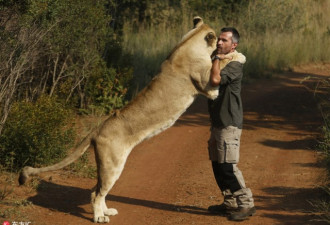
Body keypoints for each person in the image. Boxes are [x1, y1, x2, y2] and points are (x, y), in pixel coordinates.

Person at [207, 27, 256, 221]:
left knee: (228, 167)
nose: (219, 43)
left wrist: (216, 59)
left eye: (224, 41)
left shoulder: (235, 64)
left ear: (233, 45)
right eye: (219, 40)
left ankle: (246, 204)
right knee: (217, 165)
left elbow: (214, 79)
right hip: (217, 121)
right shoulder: (217, 58)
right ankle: (230, 203)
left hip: (230, 122)